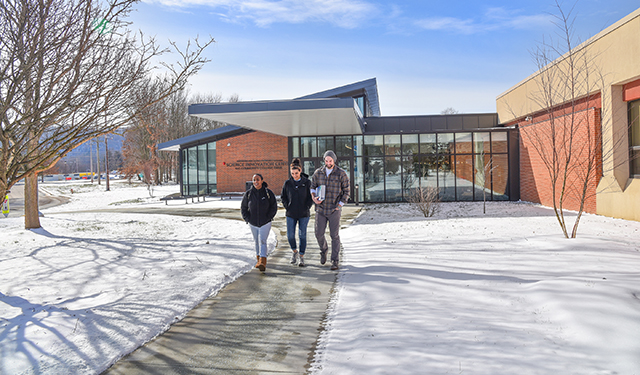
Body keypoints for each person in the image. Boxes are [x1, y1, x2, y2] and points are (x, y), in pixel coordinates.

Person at [310, 150, 350, 270]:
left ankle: (335, 260)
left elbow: (347, 190)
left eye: (330, 160)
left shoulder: (341, 173)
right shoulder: (318, 172)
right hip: (321, 209)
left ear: (334, 160)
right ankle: (323, 250)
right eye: (326, 160)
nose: (328, 163)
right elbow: (312, 186)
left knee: (334, 235)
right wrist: (314, 198)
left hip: (334, 209)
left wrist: (340, 204)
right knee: (318, 234)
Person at [241, 173, 278, 272]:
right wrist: (247, 219)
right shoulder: (248, 194)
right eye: (254, 180)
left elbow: (274, 206)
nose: (256, 182)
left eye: (258, 179)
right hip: (253, 223)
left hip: (265, 222)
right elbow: (243, 208)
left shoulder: (268, 193)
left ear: (262, 180)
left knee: (263, 241)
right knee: (256, 242)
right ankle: (258, 261)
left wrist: (269, 217)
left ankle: (263, 261)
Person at [281, 158, 313, 267]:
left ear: (300, 171)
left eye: (296, 173)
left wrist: (307, 206)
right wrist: (287, 207)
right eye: (292, 173)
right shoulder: (287, 183)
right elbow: (283, 197)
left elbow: (310, 197)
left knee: (302, 235)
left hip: (304, 214)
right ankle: (294, 252)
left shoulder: (307, 183)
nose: (294, 175)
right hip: (291, 214)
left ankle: (301, 256)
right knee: (290, 236)